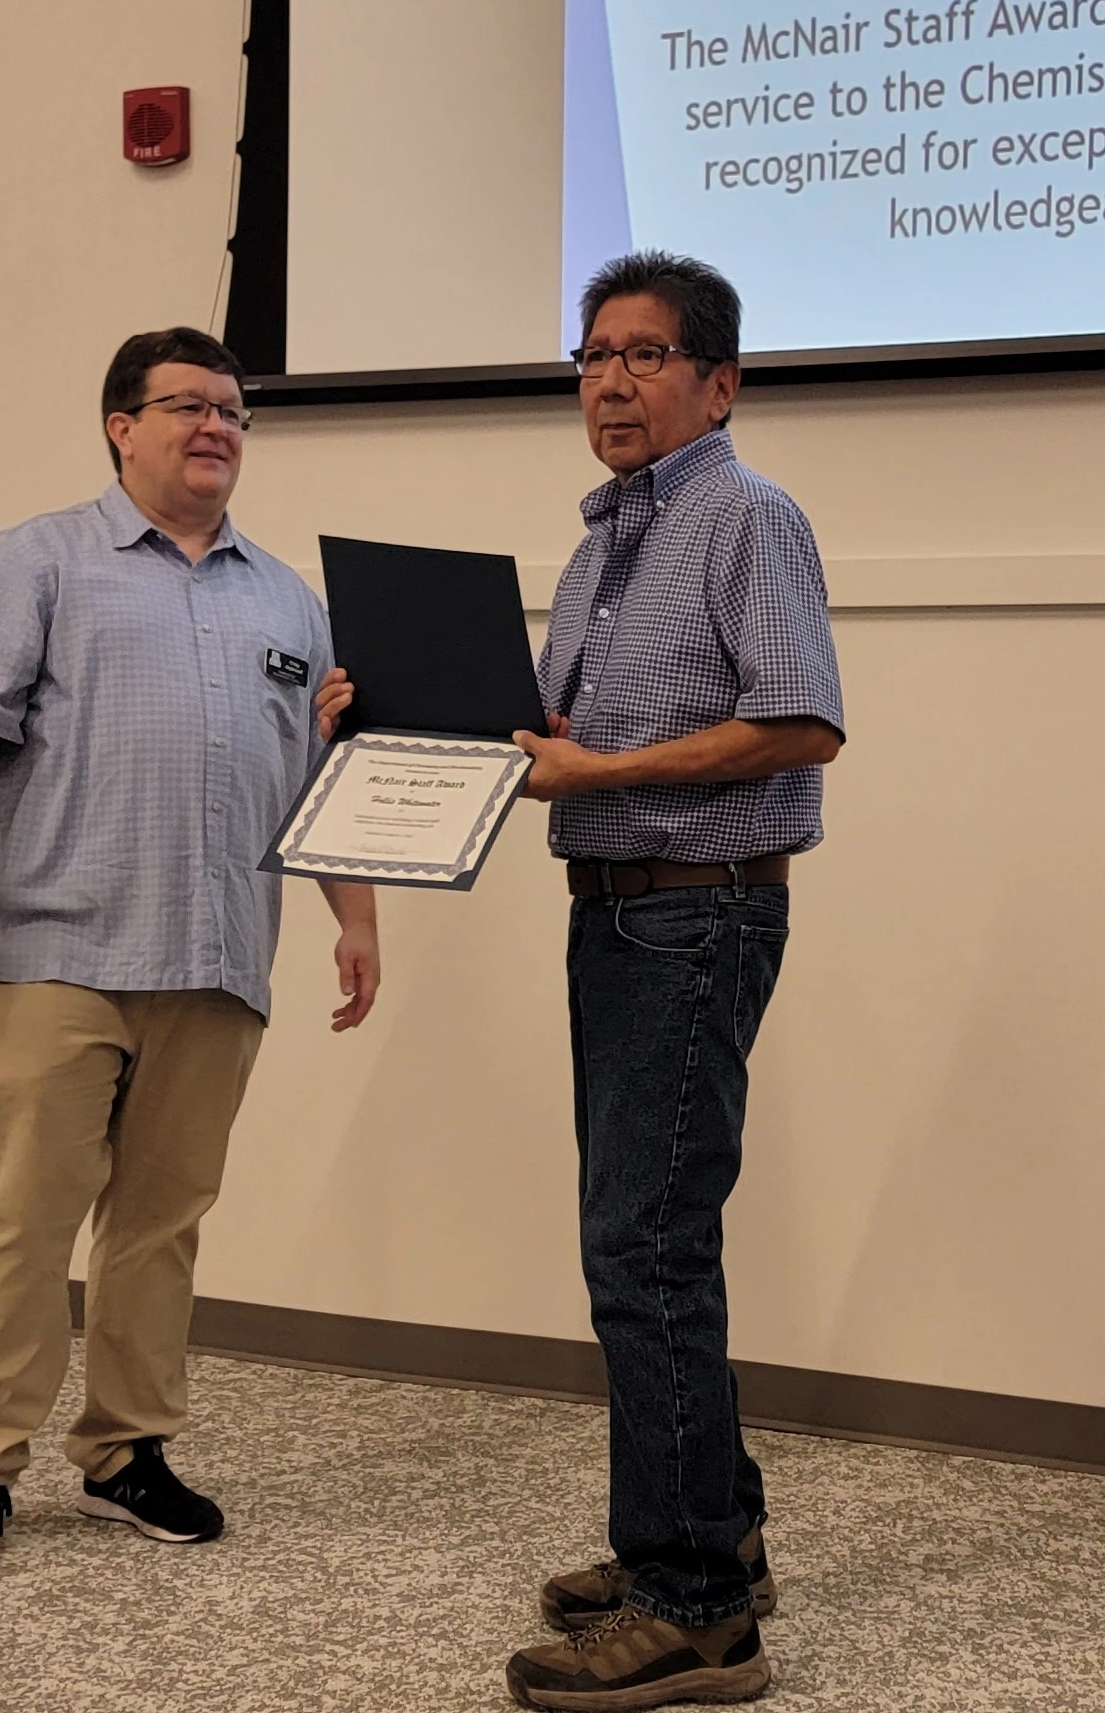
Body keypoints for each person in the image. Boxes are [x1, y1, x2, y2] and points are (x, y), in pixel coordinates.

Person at [321, 252, 843, 1708]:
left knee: (645, 1250)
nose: (610, 381)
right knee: (648, 1239)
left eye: (645, 355)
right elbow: (548, 743)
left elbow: (800, 723)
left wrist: (599, 773)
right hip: (615, 918)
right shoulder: (605, 548)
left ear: (719, 384)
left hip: (695, 917)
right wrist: (386, 716)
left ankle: (697, 1615)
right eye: (593, 355)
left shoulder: (745, 515)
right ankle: (717, 1534)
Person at [0, 325, 382, 1572]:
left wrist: (356, 918)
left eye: (232, 409)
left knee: (161, 1227)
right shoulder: (39, 562)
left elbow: (323, 774)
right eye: (186, 406)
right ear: (122, 427)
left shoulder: (289, 600)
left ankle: (125, 1451)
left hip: (218, 960)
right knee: (21, 1223)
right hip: (58, 952)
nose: (216, 426)